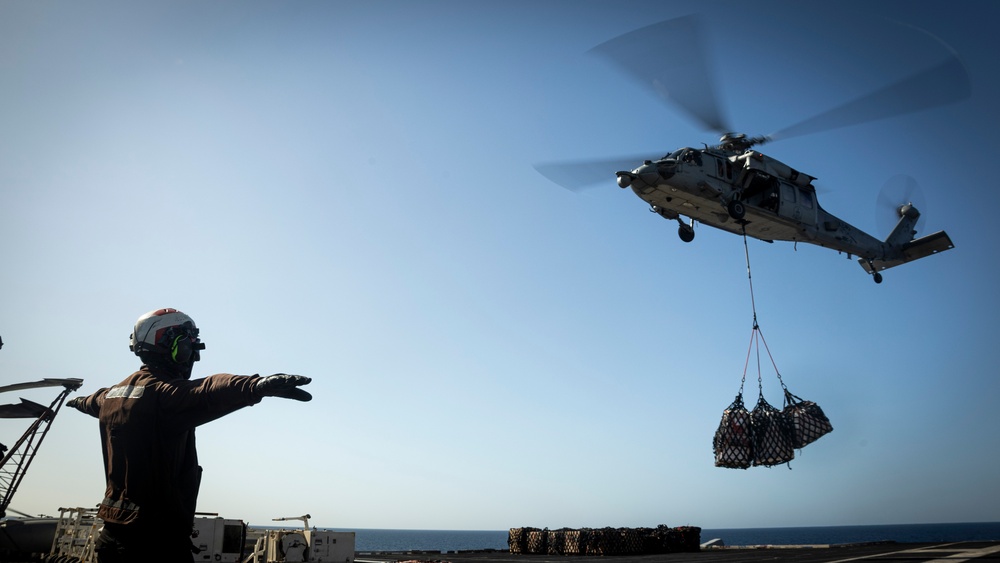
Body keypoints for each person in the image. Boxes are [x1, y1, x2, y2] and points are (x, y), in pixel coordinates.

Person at [66, 308, 312, 563]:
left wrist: (79, 401)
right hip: (155, 544)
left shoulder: (112, 396)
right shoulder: (162, 396)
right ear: (173, 348)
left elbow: (92, 401)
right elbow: (208, 390)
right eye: (189, 347)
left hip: (112, 535)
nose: (193, 356)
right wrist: (255, 386)